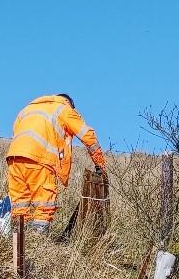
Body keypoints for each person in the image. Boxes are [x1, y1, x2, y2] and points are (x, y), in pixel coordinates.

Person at [6, 93, 105, 234]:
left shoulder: (26, 110)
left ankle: (17, 242)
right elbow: (88, 136)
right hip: (40, 160)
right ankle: (37, 242)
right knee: (44, 205)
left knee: (19, 205)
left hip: (14, 159)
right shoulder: (64, 109)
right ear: (69, 103)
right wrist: (100, 165)